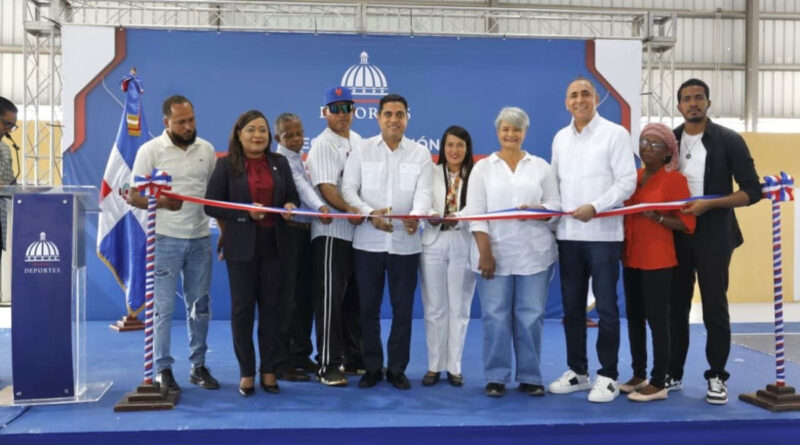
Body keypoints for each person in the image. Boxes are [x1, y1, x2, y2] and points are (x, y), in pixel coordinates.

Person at [668, 78, 761, 405]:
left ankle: (717, 376)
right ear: (679, 106)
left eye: (698, 97)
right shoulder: (669, 141)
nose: (693, 103)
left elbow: (752, 191)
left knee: (714, 307)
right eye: (686, 99)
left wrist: (710, 204)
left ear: (708, 103)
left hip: (715, 235)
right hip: (677, 233)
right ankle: (672, 373)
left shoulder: (729, 140)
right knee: (675, 307)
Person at [547, 78, 637, 403]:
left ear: (596, 99)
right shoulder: (560, 138)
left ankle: (608, 376)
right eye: (573, 95)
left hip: (603, 237)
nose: (580, 99)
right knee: (572, 309)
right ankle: (578, 372)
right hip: (568, 237)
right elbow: (554, 185)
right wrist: (548, 216)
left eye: (586, 93)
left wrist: (596, 206)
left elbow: (627, 182)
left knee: (607, 309)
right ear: (566, 102)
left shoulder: (615, 134)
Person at [204, 110, 300, 396]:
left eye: (262, 130)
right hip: (241, 247)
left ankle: (268, 370)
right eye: (251, 130)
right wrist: (245, 214)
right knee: (243, 310)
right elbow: (211, 205)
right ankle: (246, 371)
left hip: (276, 246)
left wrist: (291, 206)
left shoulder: (279, 163)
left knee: (272, 310)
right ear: (239, 134)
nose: (258, 135)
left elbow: (291, 195)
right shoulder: (226, 165)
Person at [342, 93, 432, 390]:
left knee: (403, 310)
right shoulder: (361, 150)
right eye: (388, 114)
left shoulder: (420, 153)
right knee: (367, 309)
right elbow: (348, 190)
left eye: (400, 114)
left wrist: (416, 215)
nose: (394, 119)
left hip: (406, 245)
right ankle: (371, 367)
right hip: (367, 244)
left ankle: (396, 369)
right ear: (378, 118)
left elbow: (424, 192)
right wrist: (369, 214)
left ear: (407, 118)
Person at [129, 95, 219, 393]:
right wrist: (161, 203)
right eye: (181, 122)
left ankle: (198, 366)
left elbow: (214, 197)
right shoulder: (150, 150)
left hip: (200, 238)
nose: (188, 126)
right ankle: (163, 369)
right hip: (164, 239)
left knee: (200, 306)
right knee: (163, 308)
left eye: (191, 119)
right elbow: (133, 195)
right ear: (166, 122)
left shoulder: (206, 149)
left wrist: (224, 232)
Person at [468, 108, 560, 398]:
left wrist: (537, 210)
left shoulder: (541, 167)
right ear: (498, 132)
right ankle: (496, 376)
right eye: (505, 129)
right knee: (495, 317)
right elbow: (475, 214)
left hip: (535, 256)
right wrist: (485, 253)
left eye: (516, 129)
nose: (511, 134)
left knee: (531, 317)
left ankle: (530, 376)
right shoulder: (483, 168)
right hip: (494, 256)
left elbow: (556, 205)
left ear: (524, 133)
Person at [620, 123, 695, 402]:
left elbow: (687, 223)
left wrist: (659, 218)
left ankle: (659, 381)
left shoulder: (675, 180)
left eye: (654, 145)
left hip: (658, 260)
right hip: (631, 256)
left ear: (668, 152)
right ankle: (638, 374)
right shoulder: (633, 177)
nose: (647, 148)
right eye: (643, 143)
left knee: (657, 321)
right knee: (634, 319)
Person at [305, 86, 366, 386]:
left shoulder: (359, 141)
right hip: (331, 233)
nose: (342, 114)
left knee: (353, 299)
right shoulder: (322, 144)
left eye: (347, 108)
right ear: (325, 112)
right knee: (330, 300)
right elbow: (326, 188)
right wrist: (351, 209)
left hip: (359, 234)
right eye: (336, 109)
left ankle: (353, 357)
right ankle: (327, 363)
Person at [273, 113, 330, 382]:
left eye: (299, 133)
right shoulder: (281, 160)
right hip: (289, 235)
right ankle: (283, 360)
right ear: (278, 137)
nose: (297, 139)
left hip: (307, 233)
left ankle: (300, 353)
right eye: (289, 135)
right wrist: (322, 207)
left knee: (305, 296)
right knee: (289, 298)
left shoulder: (299, 158)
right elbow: (302, 189)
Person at [419, 125, 476, 388]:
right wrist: (430, 213)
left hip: (462, 241)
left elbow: (478, 205)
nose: (454, 150)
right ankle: (434, 366)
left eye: (460, 145)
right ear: (443, 147)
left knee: (459, 308)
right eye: (450, 145)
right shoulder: (430, 171)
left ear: (467, 149)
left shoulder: (476, 174)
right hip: (433, 241)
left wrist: (459, 217)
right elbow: (422, 198)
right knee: (434, 308)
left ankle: (454, 367)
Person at [0, 97, 17, 264]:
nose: (9, 130)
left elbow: (10, 184)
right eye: (6, 123)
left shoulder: (5, 150)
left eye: (12, 126)